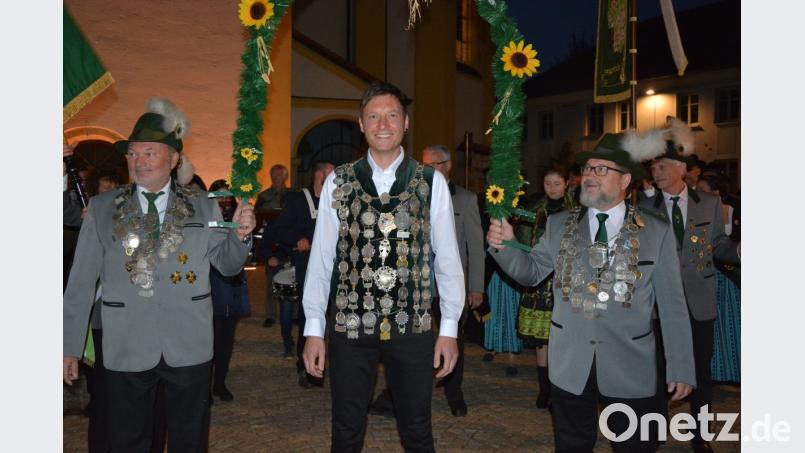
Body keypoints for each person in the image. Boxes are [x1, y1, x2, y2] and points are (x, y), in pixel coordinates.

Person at [63, 98, 256, 452]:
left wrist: (241, 236)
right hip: (126, 343)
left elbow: (227, 266)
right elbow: (80, 283)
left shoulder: (203, 205)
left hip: (189, 343)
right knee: (128, 441)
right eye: (133, 154)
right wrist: (68, 347)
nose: (139, 161)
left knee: (189, 440)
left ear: (174, 158)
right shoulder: (103, 208)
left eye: (149, 153)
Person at [487, 132, 695, 452]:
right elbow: (531, 272)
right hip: (571, 363)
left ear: (625, 179)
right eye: (587, 169)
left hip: (630, 364)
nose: (589, 176)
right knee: (571, 446)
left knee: (634, 447)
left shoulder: (656, 231)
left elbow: (673, 306)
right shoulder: (559, 224)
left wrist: (681, 366)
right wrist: (506, 246)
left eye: (600, 169)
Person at [301, 81, 464, 451]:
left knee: (417, 428)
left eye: (392, 115)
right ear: (361, 124)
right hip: (350, 325)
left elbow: (447, 259)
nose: (383, 124)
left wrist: (449, 328)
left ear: (405, 122)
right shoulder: (338, 181)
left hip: (412, 324)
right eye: (373, 116)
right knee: (345, 429)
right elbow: (322, 258)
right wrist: (313, 328)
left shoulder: (431, 182)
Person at [642, 122, 740, 453]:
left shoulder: (709, 203)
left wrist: (739, 251)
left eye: (662, 166)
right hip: (659, 305)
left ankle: (701, 435)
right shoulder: (645, 209)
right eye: (653, 167)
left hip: (699, 301)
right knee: (657, 369)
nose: (656, 172)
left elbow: (719, 244)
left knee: (700, 372)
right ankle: (654, 430)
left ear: (681, 168)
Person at [514, 168, 576, 409]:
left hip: (565, 279)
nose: (552, 188)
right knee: (542, 338)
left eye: (557, 183)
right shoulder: (534, 208)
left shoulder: (576, 209)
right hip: (540, 279)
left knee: (562, 336)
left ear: (566, 183)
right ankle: (544, 389)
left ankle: (560, 387)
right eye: (548, 183)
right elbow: (522, 236)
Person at [271, 160, 335, 387]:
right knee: (310, 319)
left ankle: (333, 364)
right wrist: (297, 239)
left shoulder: (337, 201)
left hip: (335, 271)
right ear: (319, 175)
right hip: (307, 269)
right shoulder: (298, 200)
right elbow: (279, 230)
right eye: (331, 175)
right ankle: (306, 367)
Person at [208, 179, 252, 402]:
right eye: (219, 195)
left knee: (225, 340)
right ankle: (204, 385)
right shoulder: (205, 218)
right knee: (207, 341)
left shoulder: (237, 216)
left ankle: (219, 383)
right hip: (209, 285)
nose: (223, 200)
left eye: (226, 195)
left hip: (229, 286)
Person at [695, 174, 740, 384]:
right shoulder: (697, 212)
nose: (698, 194)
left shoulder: (734, 211)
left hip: (731, 278)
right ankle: (718, 371)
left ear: (716, 193)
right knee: (714, 325)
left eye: (703, 190)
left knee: (733, 324)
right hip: (710, 276)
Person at [256, 164, 290, 328]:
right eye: (273, 176)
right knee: (270, 280)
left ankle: (293, 314)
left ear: (285, 177)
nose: (276, 179)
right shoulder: (264, 196)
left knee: (292, 278)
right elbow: (257, 217)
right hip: (270, 239)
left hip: (288, 240)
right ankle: (270, 314)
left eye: (279, 176)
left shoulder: (293, 195)